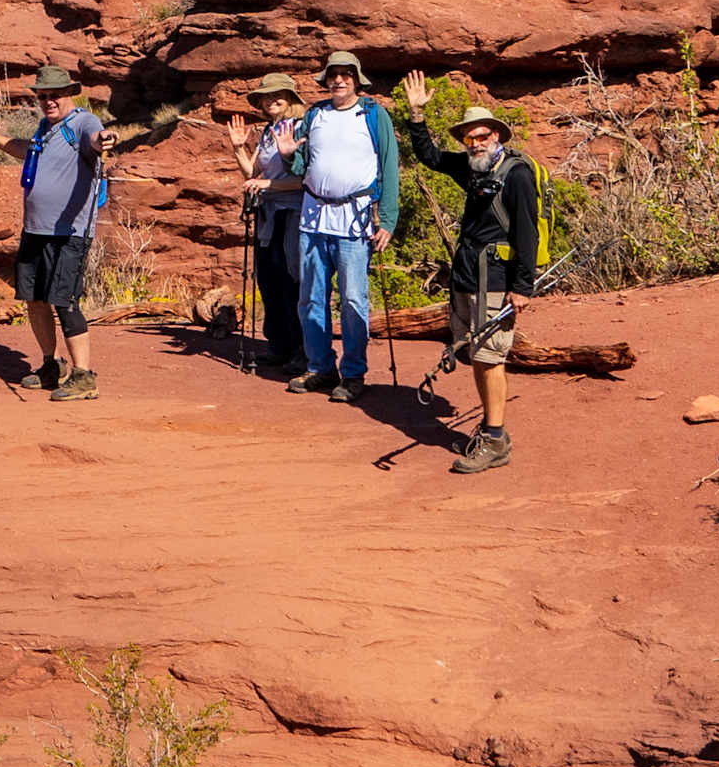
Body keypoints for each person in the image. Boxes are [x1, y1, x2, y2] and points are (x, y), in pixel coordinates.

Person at [395, 78, 543, 473]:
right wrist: (416, 114)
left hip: (495, 280)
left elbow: (527, 232)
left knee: (491, 356)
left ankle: (494, 439)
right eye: (468, 138)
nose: (474, 143)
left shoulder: (517, 174)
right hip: (465, 276)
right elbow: (428, 156)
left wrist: (522, 287)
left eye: (481, 136)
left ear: (496, 134)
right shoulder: (472, 169)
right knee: (476, 354)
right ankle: (493, 430)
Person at [290, 50, 402, 400]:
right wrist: (285, 154)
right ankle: (320, 368)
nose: (339, 80)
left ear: (357, 79)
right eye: (333, 74)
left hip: (354, 222)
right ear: (326, 79)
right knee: (310, 298)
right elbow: (299, 168)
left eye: (346, 74)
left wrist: (389, 219)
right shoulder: (314, 115)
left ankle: (353, 374)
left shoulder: (372, 114)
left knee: (353, 299)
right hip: (313, 219)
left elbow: (389, 166)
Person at [13, 63, 107, 402]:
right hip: (35, 231)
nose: (49, 101)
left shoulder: (83, 122)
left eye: (55, 95)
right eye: (43, 96)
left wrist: (105, 140)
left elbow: (97, 139)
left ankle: (83, 376)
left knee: (64, 301)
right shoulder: (43, 128)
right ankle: (51, 365)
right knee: (35, 300)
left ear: (70, 94)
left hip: (70, 232)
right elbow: (26, 152)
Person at [218, 73, 307, 375]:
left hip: (293, 215)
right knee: (269, 280)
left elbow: (306, 180)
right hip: (269, 216)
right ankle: (278, 345)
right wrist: (238, 147)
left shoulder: (300, 128)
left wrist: (267, 185)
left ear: (292, 98)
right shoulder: (269, 131)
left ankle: (301, 349)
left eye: (277, 95)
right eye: (266, 96)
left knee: (292, 281)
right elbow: (251, 174)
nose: (271, 100)